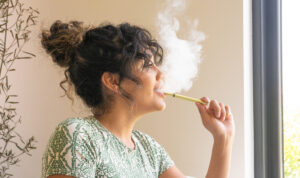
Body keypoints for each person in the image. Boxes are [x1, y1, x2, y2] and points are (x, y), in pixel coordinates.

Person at [40, 20, 235, 178]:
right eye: (147, 66)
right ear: (112, 81)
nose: (162, 75)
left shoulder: (149, 150)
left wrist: (223, 139)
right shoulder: (77, 135)